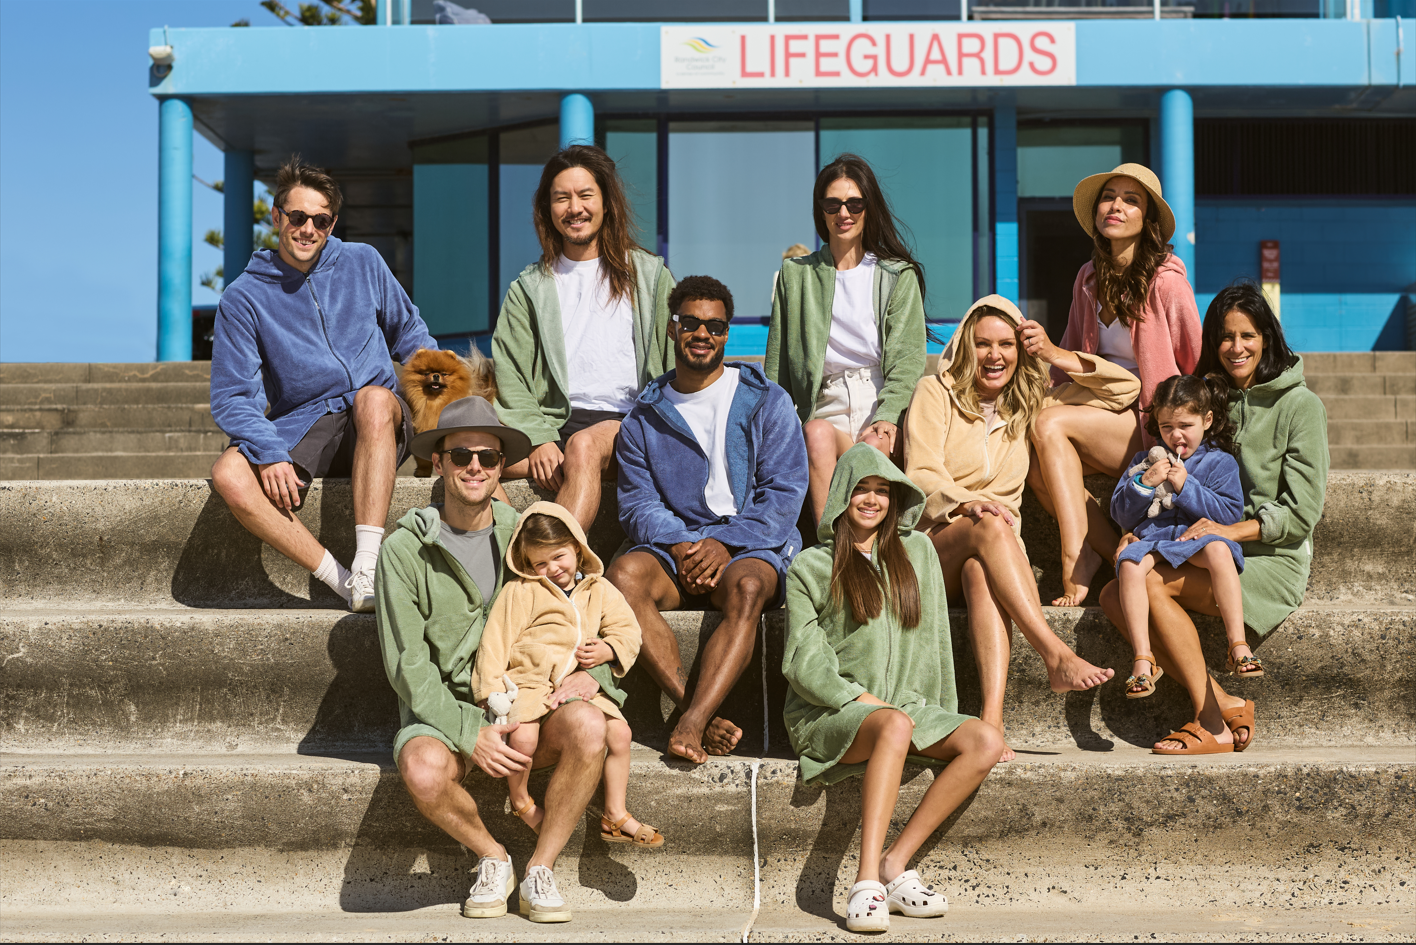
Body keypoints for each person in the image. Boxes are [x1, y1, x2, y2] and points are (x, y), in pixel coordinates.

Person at [374, 397, 618, 923]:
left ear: (501, 464)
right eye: (460, 455)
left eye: (487, 456)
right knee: (420, 767)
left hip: (530, 701)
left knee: (589, 726)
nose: (475, 467)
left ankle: (541, 869)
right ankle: (493, 856)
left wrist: (595, 677)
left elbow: (588, 604)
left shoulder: (527, 532)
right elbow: (406, 663)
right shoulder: (403, 549)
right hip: (448, 711)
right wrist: (469, 729)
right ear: (437, 463)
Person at [782, 444, 1004, 934]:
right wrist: (853, 698)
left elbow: (935, 641)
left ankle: (894, 862)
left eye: (883, 491)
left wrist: (943, 712)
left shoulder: (918, 552)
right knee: (893, 724)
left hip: (903, 706)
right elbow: (803, 657)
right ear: (842, 496)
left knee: (985, 741)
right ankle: (865, 884)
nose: (872, 499)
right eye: (862, 489)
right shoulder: (811, 566)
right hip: (828, 712)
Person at [1100, 281, 1328, 755]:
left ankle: (1211, 723)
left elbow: (1301, 513)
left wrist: (1228, 530)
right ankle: (1225, 701)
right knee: (1111, 594)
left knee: (1147, 584)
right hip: (1196, 542)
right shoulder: (1209, 396)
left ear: (1267, 336)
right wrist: (1135, 530)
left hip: (1267, 556)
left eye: (1248, 335)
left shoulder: (1300, 406)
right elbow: (1163, 480)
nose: (1235, 347)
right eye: (1225, 336)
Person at [905, 296, 1136, 761]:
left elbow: (1124, 390)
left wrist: (1053, 353)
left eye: (1007, 344)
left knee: (981, 571)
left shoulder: (1028, 403)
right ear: (966, 347)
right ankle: (1055, 654)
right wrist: (967, 501)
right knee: (989, 526)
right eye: (983, 344)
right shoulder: (935, 393)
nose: (995, 356)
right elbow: (919, 476)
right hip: (932, 546)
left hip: (992, 553)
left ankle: (991, 723)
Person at [210, 155, 435, 613]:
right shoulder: (243, 297)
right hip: (306, 422)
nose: (307, 228)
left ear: (332, 224)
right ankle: (343, 579)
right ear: (277, 217)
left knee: (373, 398)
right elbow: (234, 396)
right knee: (228, 475)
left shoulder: (363, 262)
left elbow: (411, 336)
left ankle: (369, 564)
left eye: (321, 220)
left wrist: (444, 399)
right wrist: (269, 450)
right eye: (297, 217)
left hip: (379, 418)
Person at [607, 275, 809, 765]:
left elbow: (783, 493)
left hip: (750, 547)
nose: (703, 334)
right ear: (673, 328)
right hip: (675, 551)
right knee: (622, 576)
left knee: (747, 589)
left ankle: (692, 722)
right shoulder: (643, 418)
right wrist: (680, 544)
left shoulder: (767, 400)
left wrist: (726, 542)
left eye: (715, 326)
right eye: (692, 323)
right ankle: (693, 709)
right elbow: (637, 503)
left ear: (727, 332)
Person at [1023, 163, 1203, 606]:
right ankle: (1102, 550)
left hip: (1148, 422)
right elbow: (1067, 358)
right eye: (1109, 196)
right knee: (1030, 453)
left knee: (1048, 427)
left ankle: (1074, 555)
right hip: (1099, 410)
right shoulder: (1087, 278)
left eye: (1131, 199)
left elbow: (1194, 363)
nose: (1116, 206)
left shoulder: (1168, 283)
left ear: (1149, 220)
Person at [492, 145, 676, 533]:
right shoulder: (529, 287)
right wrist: (541, 438)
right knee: (473, 455)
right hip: (556, 424)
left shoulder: (649, 276)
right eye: (562, 198)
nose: (574, 207)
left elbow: (676, 363)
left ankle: (555, 565)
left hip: (629, 423)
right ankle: (515, 549)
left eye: (585, 195)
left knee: (584, 448)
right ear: (548, 209)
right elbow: (511, 374)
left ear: (606, 203)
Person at [471, 502, 664, 849]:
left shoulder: (599, 589)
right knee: (524, 740)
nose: (552, 569)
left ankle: (614, 813)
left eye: (559, 557)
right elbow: (495, 641)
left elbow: (629, 631)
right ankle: (521, 801)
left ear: (577, 546)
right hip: (527, 681)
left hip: (575, 683)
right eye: (539, 564)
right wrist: (489, 691)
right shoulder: (521, 591)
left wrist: (608, 651)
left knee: (620, 733)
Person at [766, 154, 927, 525]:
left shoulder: (896, 275)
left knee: (873, 447)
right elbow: (778, 362)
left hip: (883, 399)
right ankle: (831, 546)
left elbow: (908, 358)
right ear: (820, 211)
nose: (844, 212)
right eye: (832, 204)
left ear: (869, 207)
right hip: (826, 401)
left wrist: (888, 415)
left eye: (855, 203)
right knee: (816, 434)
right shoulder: (796, 275)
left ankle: (878, 550)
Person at [1112, 375, 1245, 702]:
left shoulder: (1219, 462)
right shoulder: (1142, 462)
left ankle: (1238, 644)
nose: (1176, 435)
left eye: (1185, 424)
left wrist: (1188, 488)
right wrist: (1143, 483)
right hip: (1153, 540)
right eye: (1166, 426)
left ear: (1207, 420)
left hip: (1194, 543)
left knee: (1218, 548)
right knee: (1128, 564)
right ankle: (1143, 658)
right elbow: (1121, 514)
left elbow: (1229, 514)